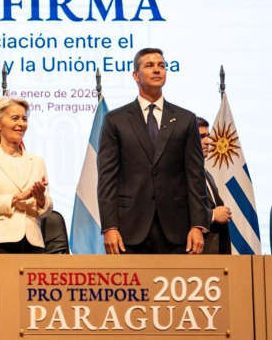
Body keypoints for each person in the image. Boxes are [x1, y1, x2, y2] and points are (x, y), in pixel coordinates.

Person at [97, 48, 209, 254]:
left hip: (178, 229)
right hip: (129, 229)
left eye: (162, 66)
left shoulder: (186, 119)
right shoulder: (115, 120)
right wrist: (109, 227)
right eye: (149, 66)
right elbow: (107, 178)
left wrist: (198, 225)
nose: (157, 70)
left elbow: (195, 177)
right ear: (136, 75)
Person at [0, 97, 53, 254]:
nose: (21, 124)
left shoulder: (37, 161)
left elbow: (47, 210)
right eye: (15, 118)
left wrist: (41, 199)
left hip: (33, 243)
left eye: (24, 119)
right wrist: (18, 197)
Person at [198, 117, 232, 254]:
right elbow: (172, 214)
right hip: (193, 256)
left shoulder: (207, 175)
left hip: (216, 256)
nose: (208, 141)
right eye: (201, 137)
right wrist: (211, 216)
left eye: (208, 136)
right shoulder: (176, 174)